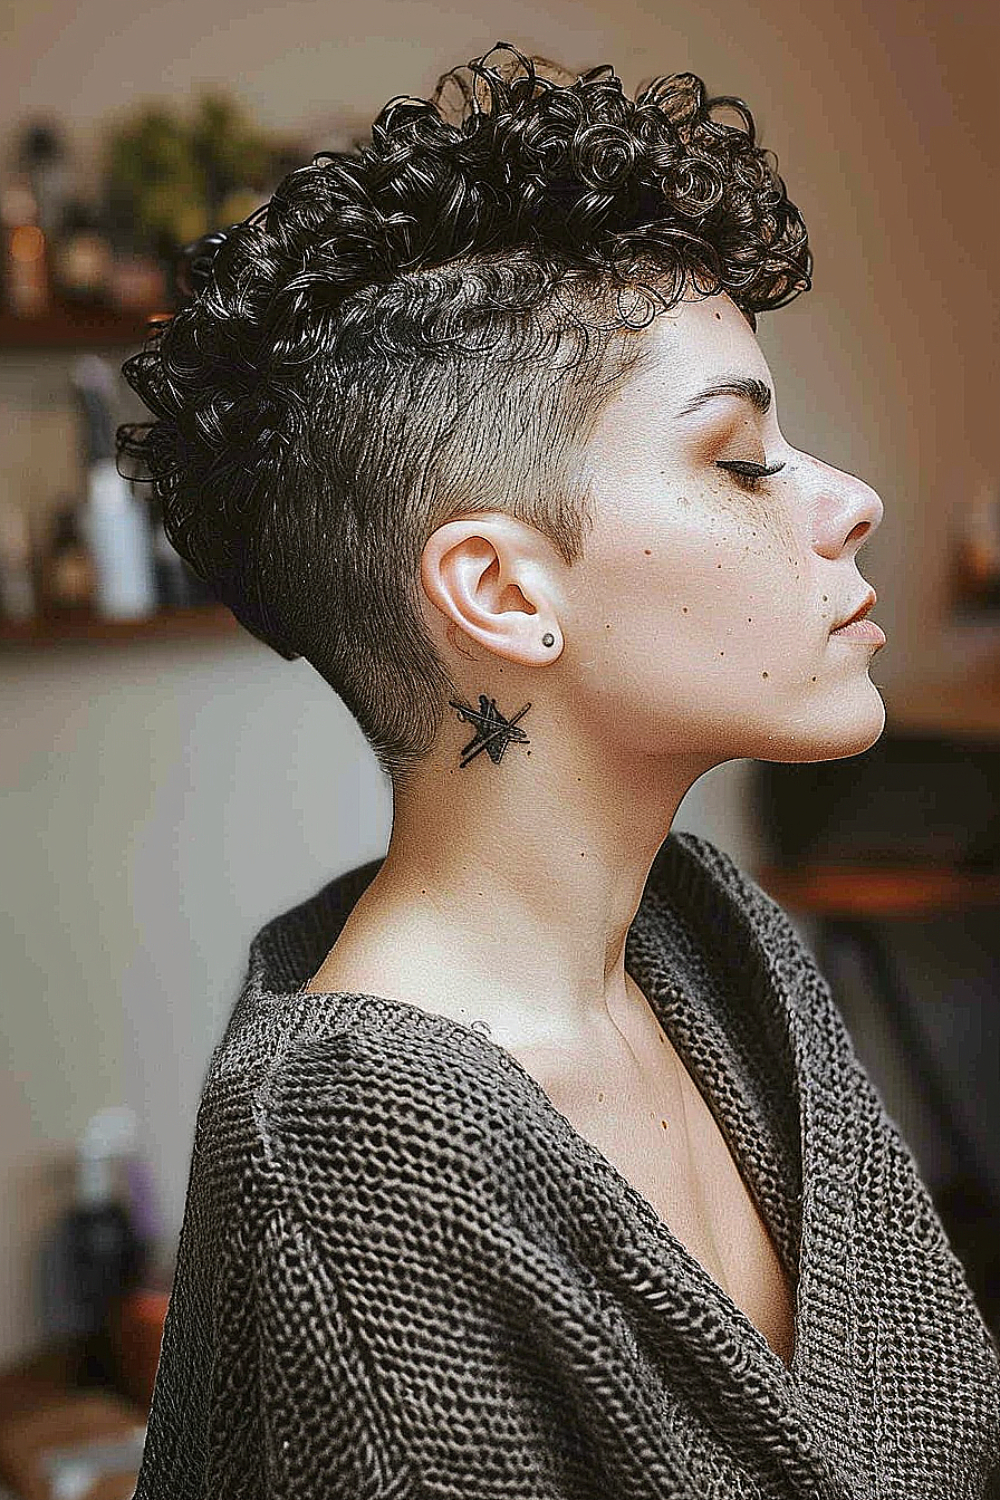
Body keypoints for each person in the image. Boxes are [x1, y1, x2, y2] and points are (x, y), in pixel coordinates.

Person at [118, 41, 1000, 1499]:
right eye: (740, 458)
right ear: (503, 594)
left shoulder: (716, 941)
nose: (851, 502)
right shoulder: (351, 1154)